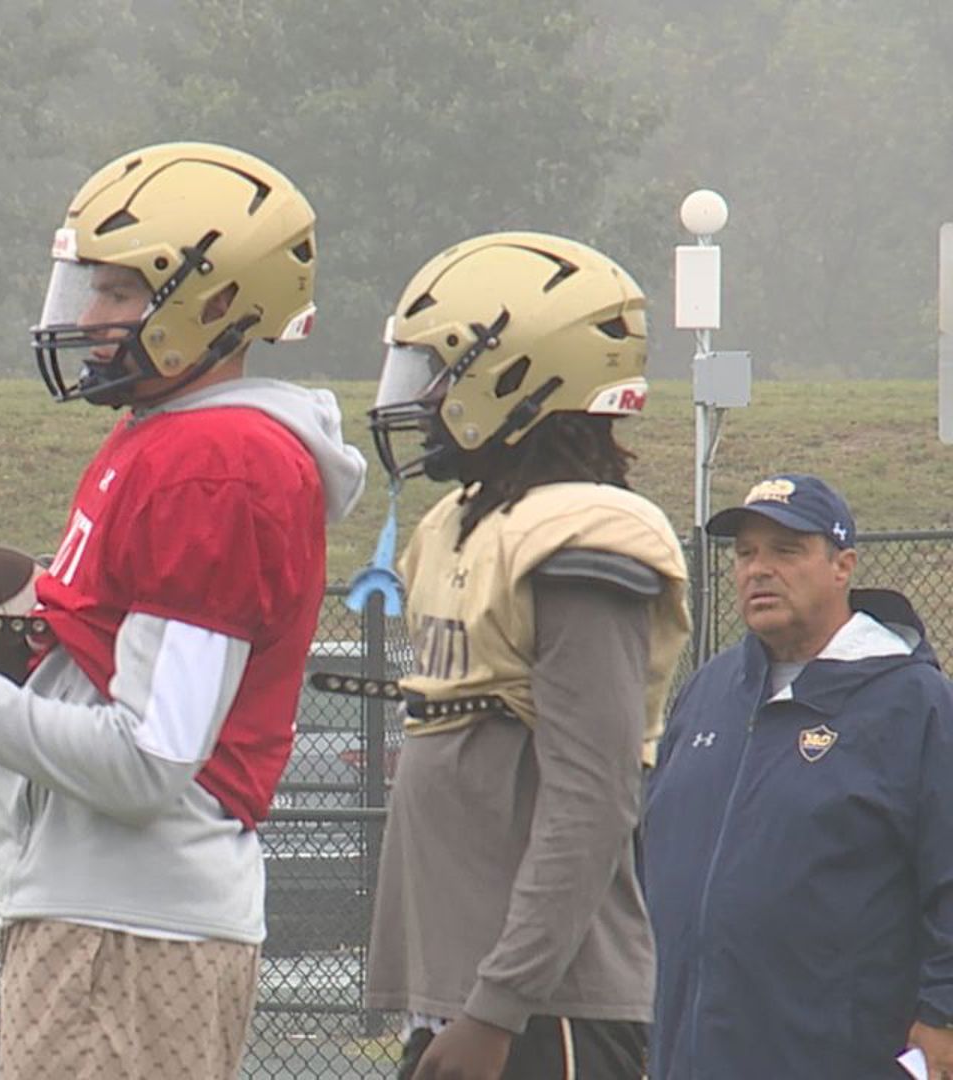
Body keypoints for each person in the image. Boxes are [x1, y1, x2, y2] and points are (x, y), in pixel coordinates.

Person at [0, 141, 367, 1080]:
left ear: (216, 302)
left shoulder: (213, 462)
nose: (89, 318)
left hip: (133, 932)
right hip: (106, 921)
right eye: (88, 289)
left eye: (118, 292)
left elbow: (150, 761)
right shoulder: (165, 438)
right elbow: (99, 670)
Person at [358, 232, 692, 1080]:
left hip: (547, 1010)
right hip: (472, 1002)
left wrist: (499, 1003)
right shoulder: (469, 523)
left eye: (439, 373)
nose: (422, 401)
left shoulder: (578, 538)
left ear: (520, 377)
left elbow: (592, 794)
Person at [643, 474, 953, 1079]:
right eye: (746, 553)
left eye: (786, 551)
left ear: (844, 566)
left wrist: (943, 1014)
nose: (759, 570)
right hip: (693, 1053)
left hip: (838, 1054)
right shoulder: (709, 691)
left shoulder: (915, 704)